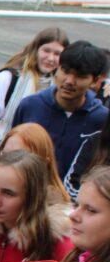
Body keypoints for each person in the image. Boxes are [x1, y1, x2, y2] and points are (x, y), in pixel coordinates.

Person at [12, 40, 108, 179]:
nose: (69, 81)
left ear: (95, 81)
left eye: (80, 76)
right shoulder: (30, 106)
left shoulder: (102, 120)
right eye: (65, 71)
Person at [0, 26, 68, 166]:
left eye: (57, 54)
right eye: (46, 51)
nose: (50, 58)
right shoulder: (9, 78)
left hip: (33, 164)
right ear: (36, 49)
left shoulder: (58, 89)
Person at [0, 122, 72, 203]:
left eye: (18, 158)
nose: (7, 163)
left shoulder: (55, 211)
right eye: (4, 155)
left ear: (43, 163)